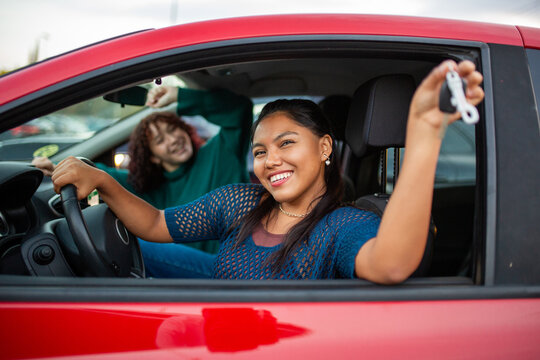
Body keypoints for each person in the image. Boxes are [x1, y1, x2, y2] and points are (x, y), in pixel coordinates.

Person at [50, 60, 484, 282]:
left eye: (286, 143)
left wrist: (425, 134)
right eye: (259, 151)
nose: (269, 160)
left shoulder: (342, 226)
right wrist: (104, 180)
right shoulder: (239, 201)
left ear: (325, 147)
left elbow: (389, 265)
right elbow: (156, 223)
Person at [34, 86, 253, 278]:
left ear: (185, 130)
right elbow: (98, 174)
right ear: (153, 157)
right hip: (188, 276)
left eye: (173, 130)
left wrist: (178, 95)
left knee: (133, 245)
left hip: (230, 271)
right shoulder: (150, 189)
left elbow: (239, 108)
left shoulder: (221, 152)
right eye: (160, 140)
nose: (172, 140)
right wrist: (55, 169)